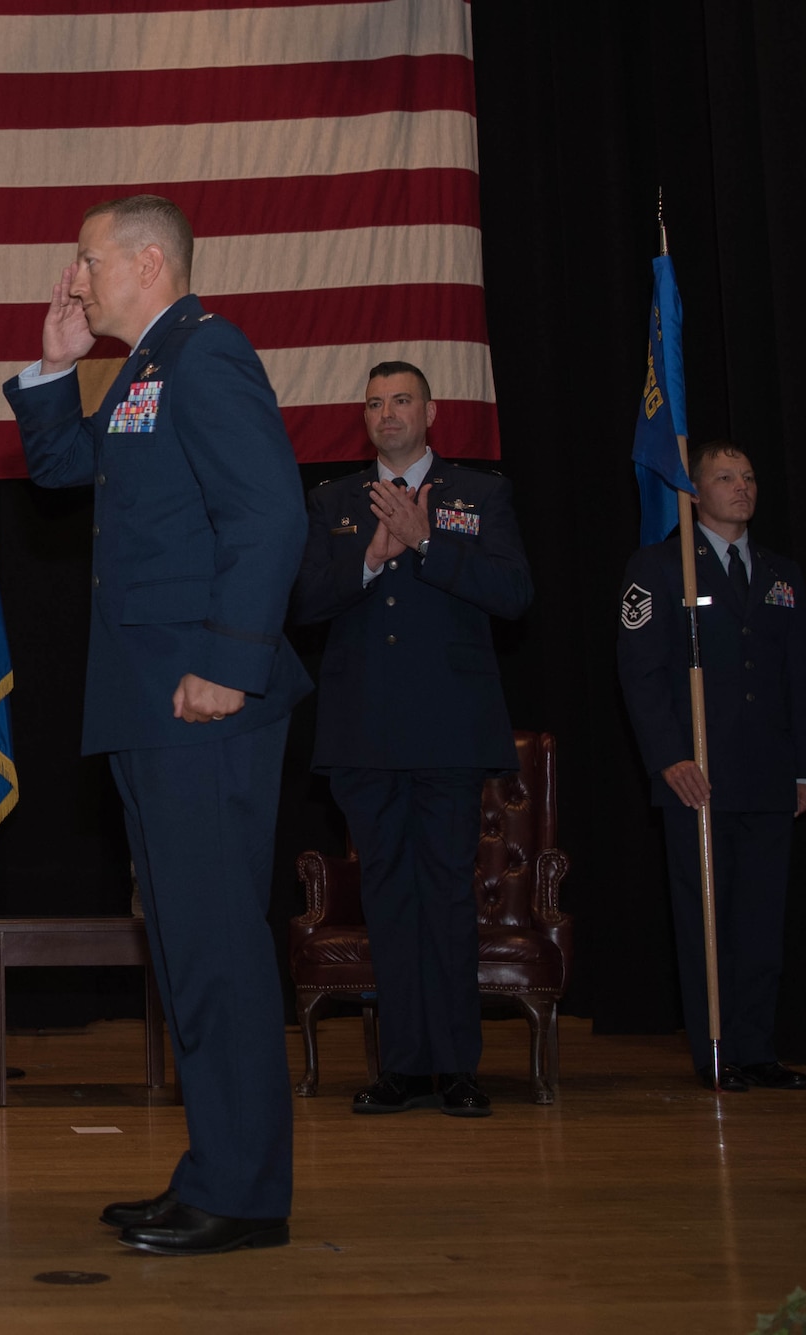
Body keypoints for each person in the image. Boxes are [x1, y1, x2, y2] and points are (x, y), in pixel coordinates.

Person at [3, 195, 309, 1257]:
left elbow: (269, 512)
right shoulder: (141, 368)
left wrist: (229, 664)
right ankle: (214, 1173)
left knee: (217, 944)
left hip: (200, 701)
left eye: (84, 260)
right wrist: (51, 370)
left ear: (144, 259)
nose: (72, 276)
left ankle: (243, 1193)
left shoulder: (206, 354)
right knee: (185, 946)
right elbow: (62, 471)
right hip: (150, 701)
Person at [291, 362, 533, 1118]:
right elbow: (300, 601)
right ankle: (399, 1066)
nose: (386, 413)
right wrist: (370, 557)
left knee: (446, 902)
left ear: (429, 411)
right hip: (364, 736)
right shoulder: (331, 500)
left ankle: (457, 1067)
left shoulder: (479, 492)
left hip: (450, 734)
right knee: (390, 902)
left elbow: (514, 594)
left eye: (401, 400)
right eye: (374, 403)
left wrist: (428, 543)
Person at [617, 441, 806, 1092]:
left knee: (760, 921)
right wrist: (669, 756)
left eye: (749, 476)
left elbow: (803, 680)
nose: (742, 486)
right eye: (725, 477)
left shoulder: (781, 574)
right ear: (694, 493)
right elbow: (641, 674)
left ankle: (756, 1048)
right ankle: (715, 1050)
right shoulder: (661, 566)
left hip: (768, 776)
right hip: (697, 776)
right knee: (706, 918)